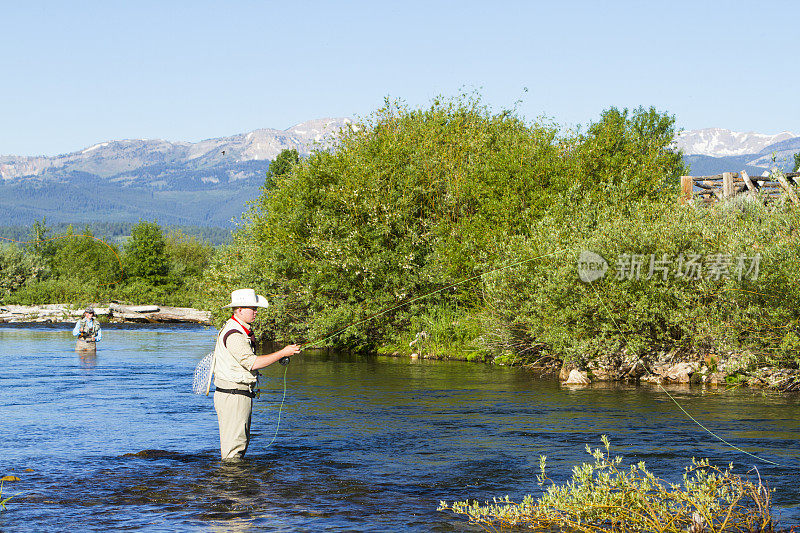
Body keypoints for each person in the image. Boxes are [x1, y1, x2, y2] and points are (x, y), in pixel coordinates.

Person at [213, 288, 301, 461]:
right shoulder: (234, 334)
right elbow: (253, 363)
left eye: (256, 308)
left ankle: (236, 485)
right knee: (233, 451)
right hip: (233, 395)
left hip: (238, 394)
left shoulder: (238, 329)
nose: (255, 312)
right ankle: (231, 485)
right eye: (252, 308)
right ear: (239, 310)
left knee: (239, 445)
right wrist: (282, 353)